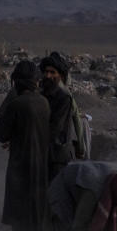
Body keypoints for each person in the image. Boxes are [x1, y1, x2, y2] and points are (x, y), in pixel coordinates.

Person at [0, 60, 51, 231]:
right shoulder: (44, 102)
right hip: (41, 166)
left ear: (17, 81)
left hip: (21, 167)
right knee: (37, 211)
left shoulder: (18, 103)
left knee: (20, 213)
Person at [39, 52, 82, 182]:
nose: (48, 76)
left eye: (53, 72)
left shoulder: (64, 97)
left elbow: (58, 126)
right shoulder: (41, 94)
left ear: (61, 75)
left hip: (57, 154)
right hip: (43, 153)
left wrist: (80, 147)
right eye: (46, 72)